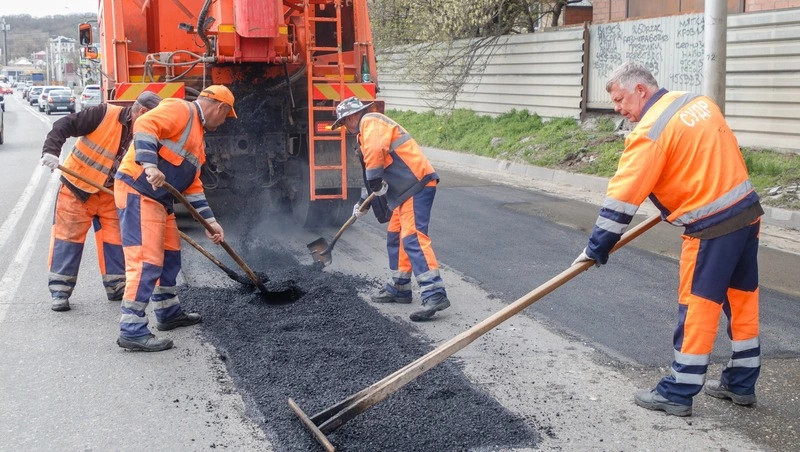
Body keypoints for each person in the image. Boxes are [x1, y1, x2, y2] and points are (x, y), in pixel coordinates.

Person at [573, 61, 762, 416]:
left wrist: (596, 248)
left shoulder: (649, 132)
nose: (617, 109)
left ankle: (678, 390)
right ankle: (742, 382)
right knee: (742, 299)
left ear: (640, 90)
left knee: (697, 306)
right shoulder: (696, 102)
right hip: (747, 212)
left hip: (712, 227)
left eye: (619, 100)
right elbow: (708, 157)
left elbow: (622, 199)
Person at [113, 85, 236, 352]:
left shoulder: (198, 139)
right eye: (226, 115)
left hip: (160, 199)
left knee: (170, 255)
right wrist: (149, 165)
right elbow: (145, 123)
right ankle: (132, 329)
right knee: (146, 261)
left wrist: (210, 221)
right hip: (139, 190)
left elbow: (192, 186)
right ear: (220, 107)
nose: (225, 121)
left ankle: (168, 313)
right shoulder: (181, 108)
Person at [40, 91, 163, 312]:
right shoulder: (103, 114)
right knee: (67, 240)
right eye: (151, 121)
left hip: (110, 195)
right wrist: (51, 151)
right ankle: (60, 290)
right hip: (76, 190)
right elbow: (63, 124)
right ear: (142, 112)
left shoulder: (147, 133)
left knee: (116, 243)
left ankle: (116, 286)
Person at [332, 96, 450, 322]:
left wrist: (374, 181)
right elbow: (377, 173)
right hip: (404, 192)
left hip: (416, 184)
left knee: (413, 237)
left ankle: (434, 293)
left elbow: (376, 156)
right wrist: (363, 200)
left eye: (344, 122)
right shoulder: (365, 131)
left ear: (351, 116)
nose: (345, 128)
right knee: (395, 235)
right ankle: (400, 286)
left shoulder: (370, 122)